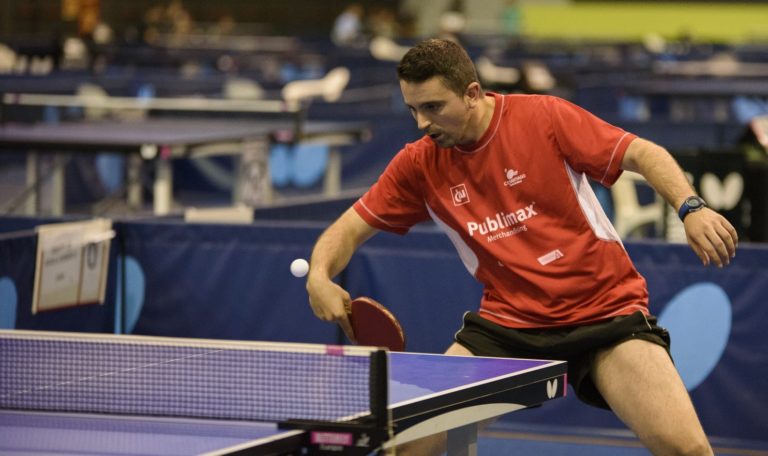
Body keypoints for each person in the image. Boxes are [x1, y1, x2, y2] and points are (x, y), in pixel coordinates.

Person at [305, 38, 737, 455]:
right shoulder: (418, 163)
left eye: (433, 107)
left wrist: (691, 206)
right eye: (413, 110)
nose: (422, 123)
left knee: (688, 449)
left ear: (472, 93)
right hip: (508, 326)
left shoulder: (543, 117)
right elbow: (347, 229)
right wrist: (319, 275)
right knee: (407, 446)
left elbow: (642, 153)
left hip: (604, 310)